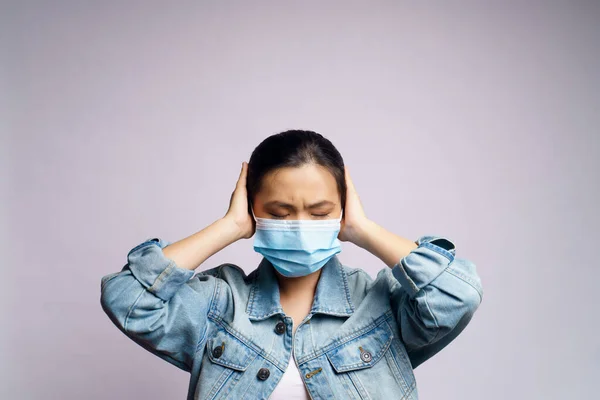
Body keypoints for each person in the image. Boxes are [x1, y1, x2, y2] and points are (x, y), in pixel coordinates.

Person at [100, 129, 483, 400]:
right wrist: (229, 227)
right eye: (280, 213)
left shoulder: (381, 303)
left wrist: (363, 229)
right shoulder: (218, 306)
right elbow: (127, 297)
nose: (300, 227)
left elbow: (458, 295)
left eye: (320, 213)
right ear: (252, 211)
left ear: (343, 210)